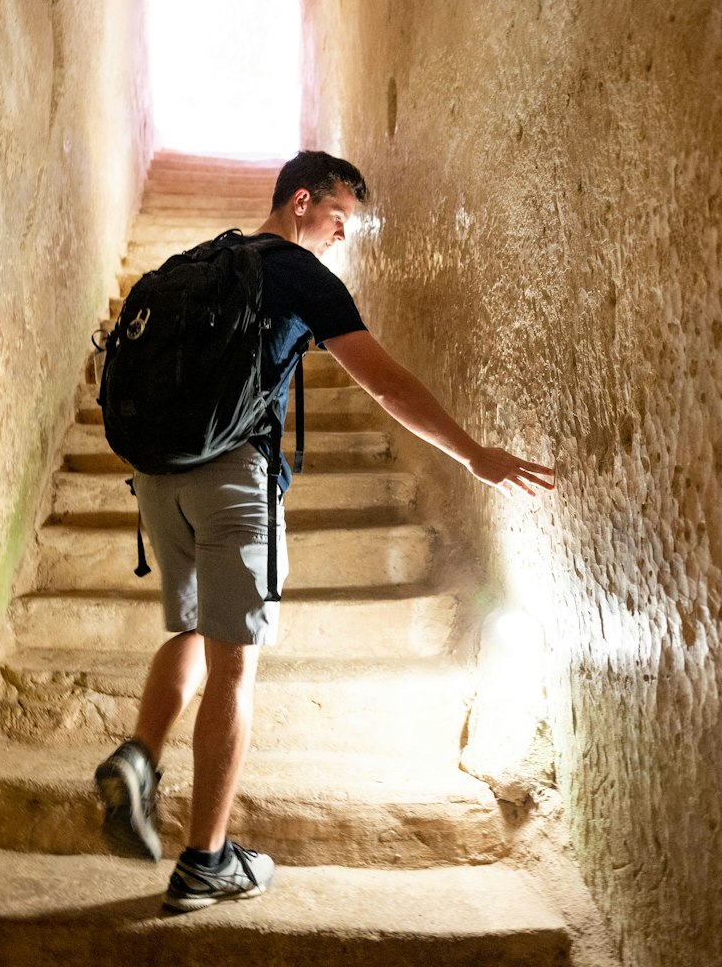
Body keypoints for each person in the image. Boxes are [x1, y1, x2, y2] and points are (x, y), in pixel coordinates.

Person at [94, 151, 554, 914]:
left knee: (187, 629)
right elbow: (384, 381)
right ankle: (205, 861)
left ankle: (140, 755)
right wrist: (473, 453)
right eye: (339, 219)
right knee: (233, 666)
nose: (342, 237)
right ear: (301, 201)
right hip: (233, 478)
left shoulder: (201, 262)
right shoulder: (298, 273)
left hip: (158, 477)